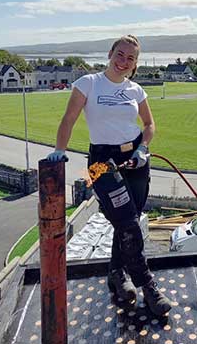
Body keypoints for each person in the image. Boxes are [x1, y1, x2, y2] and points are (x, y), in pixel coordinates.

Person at [46, 35, 171, 315]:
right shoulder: (88, 83)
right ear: (110, 53)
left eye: (130, 58)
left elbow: (149, 124)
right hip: (102, 162)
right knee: (127, 223)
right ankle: (147, 285)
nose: (123, 61)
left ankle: (116, 275)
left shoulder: (136, 90)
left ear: (135, 63)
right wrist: (58, 150)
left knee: (128, 220)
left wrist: (143, 149)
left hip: (135, 159)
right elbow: (68, 119)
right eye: (120, 54)